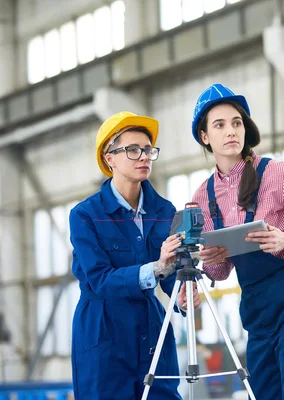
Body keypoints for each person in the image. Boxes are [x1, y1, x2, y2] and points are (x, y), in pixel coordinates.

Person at [189, 83, 284, 400]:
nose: (231, 131)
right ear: (204, 136)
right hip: (256, 307)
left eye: (237, 123)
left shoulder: (278, 174)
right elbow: (220, 273)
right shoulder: (202, 196)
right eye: (220, 125)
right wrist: (211, 257)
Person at [69, 111, 201, 400]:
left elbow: (171, 271)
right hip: (104, 331)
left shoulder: (164, 211)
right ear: (109, 157)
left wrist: (180, 295)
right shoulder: (85, 216)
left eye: (148, 150)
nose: (144, 156)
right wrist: (156, 268)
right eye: (132, 149)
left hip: (151, 326)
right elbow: (99, 279)